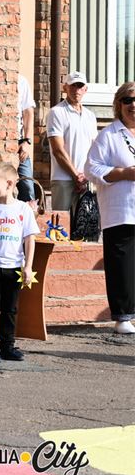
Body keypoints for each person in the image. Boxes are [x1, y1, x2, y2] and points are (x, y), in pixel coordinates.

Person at [84, 82, 135, 335]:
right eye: (128, 100)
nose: (133, 105)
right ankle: (123, 316)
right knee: (121, 266)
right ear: (119, 104)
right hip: (121, 210)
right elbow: (91, 168)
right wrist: (124, 173)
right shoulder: (109, 135)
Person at [0, 162, 39, 363]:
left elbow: (29, 239)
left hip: (14, 267)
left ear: (10, 184)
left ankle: (7, 346)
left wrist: (28, 266)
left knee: (10, 309)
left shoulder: (23, 209)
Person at [46, 71, 98, 211]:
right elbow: (58, 150)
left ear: (85, 89)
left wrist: (87, 175)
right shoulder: (56, 112)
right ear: (65, 88)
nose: (77, 90)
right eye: (73, 85)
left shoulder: (90, 116)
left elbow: (94, 149)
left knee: (85, 223)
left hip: (86, 180)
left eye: (80, 86)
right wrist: (76, 175)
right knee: (61, 222)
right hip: (63, 178)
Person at [16, 74, 37, 204]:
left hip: (19, 142)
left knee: (27, 187)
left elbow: (28, 112)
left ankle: (28, 214)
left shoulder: (21, 81)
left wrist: (26, 141)